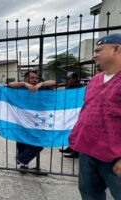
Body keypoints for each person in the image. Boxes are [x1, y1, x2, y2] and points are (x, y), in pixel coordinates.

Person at [69, 33, 121, 199]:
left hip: (114, 157)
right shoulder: (95, 80)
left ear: (116, 49)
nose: (94, 54)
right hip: (88, 152)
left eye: (99, 50)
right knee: (89, 195)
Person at [8, 71, 56, 170]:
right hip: (22, 121)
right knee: (22, 142)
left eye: (36, 78)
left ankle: (21, 159)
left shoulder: (42, 87)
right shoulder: (21, 87)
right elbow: (9, 85)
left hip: (38, 122)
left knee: (39, 143)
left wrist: (41, 83)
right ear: (26, 79)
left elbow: (54, 82)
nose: (35, 80)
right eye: (32, 78)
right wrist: (24, 84)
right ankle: (24, 165)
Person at [59, 72, 81, 158]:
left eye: (69, 79)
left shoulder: (78, 88)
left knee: (77, 131)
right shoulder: (69, 87)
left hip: (76, 112)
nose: (67, 80)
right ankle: (71, 147)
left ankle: (76, 152)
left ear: (74, 79)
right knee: (71, 131)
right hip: (70, 112)